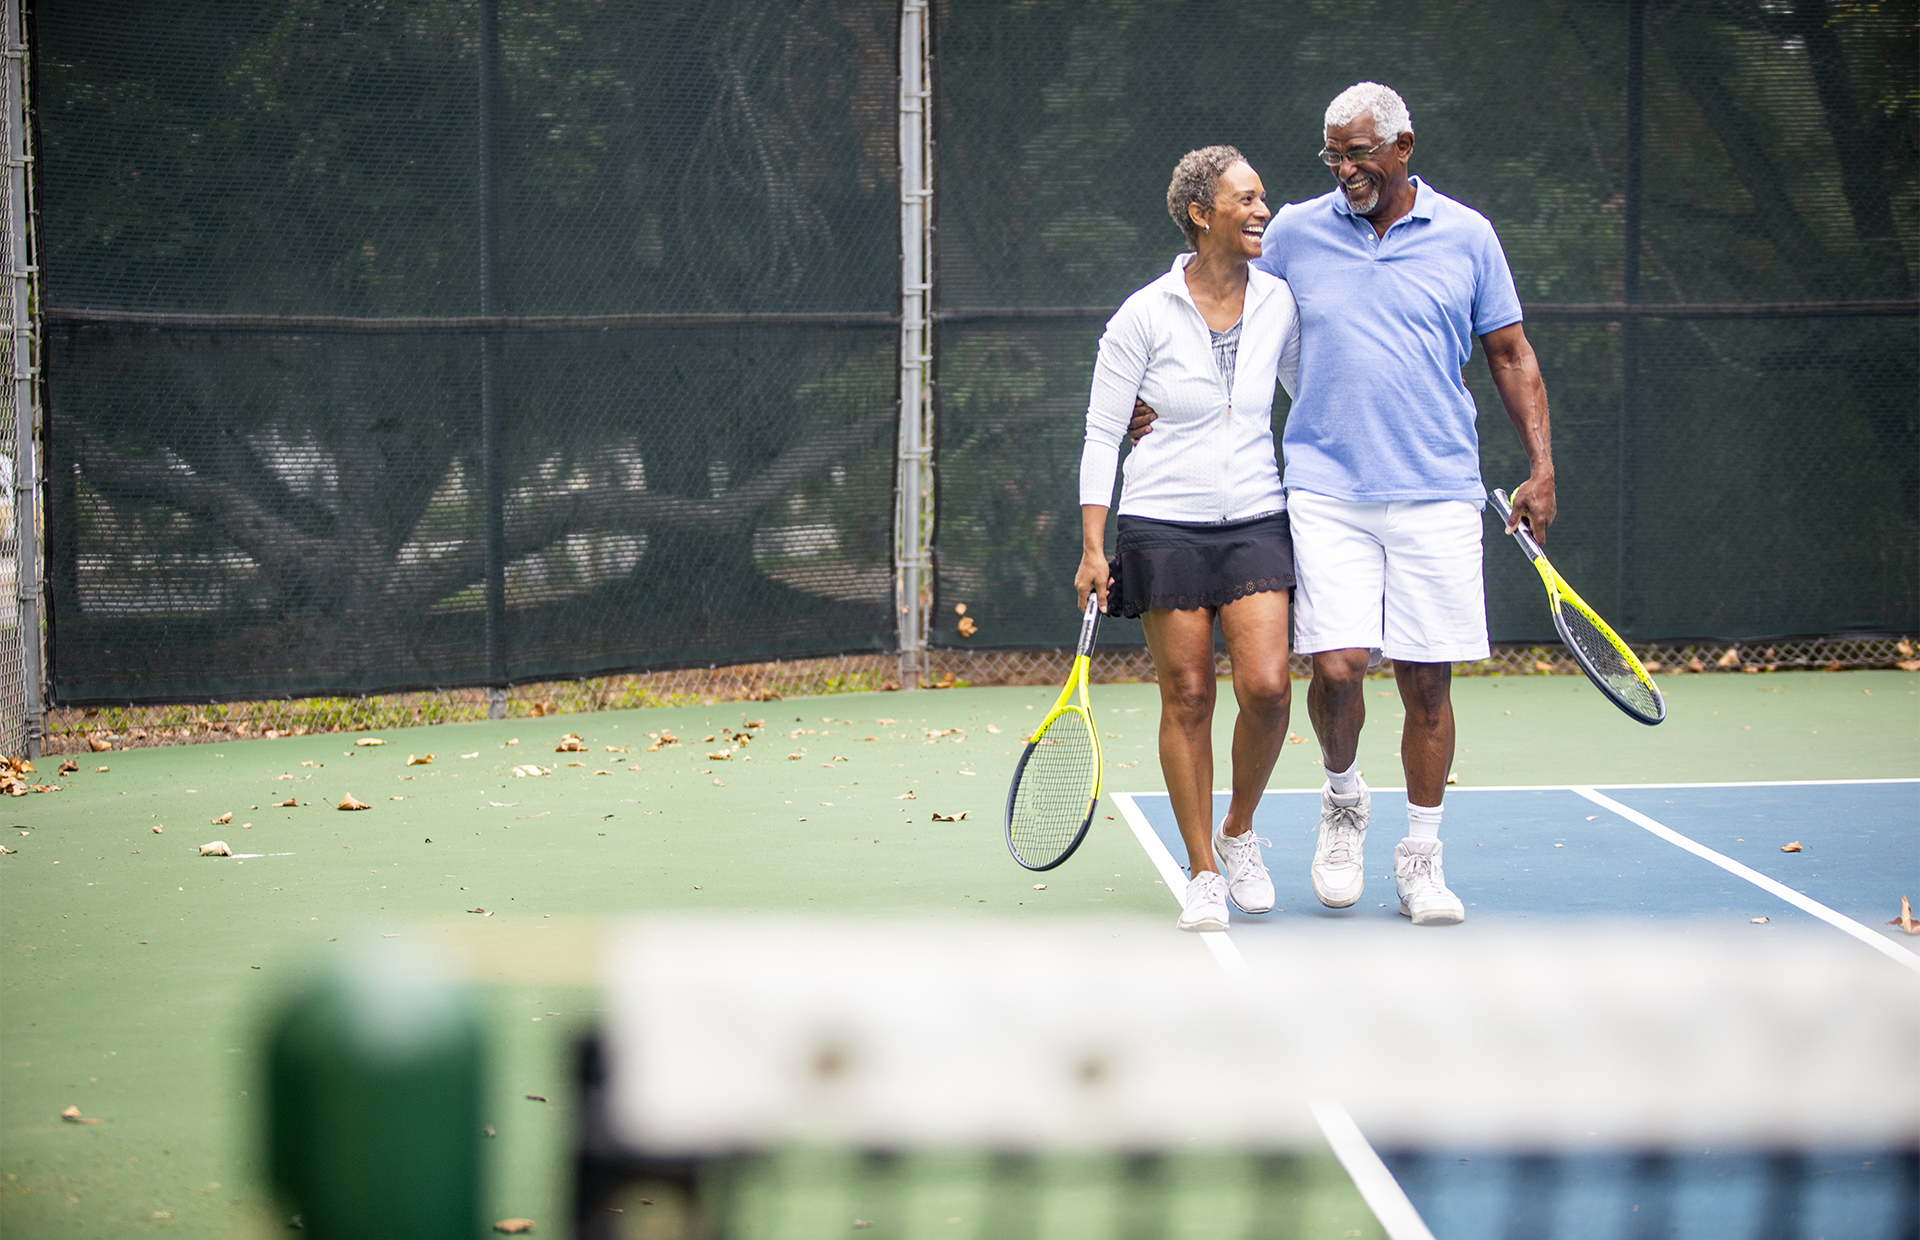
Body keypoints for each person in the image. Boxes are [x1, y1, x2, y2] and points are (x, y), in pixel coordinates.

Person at [1129, 83, 1556, 927]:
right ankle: (1342, 798)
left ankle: (1422, 857)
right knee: (1336, 668)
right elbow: (1213, 290)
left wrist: (1541, 468)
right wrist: (1152, 385)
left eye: (1359, 153)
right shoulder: (1294, 231)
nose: (1344, 169)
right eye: (1333, 154)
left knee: (1427, 684)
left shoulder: (1469, 235)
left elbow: (1509, 353)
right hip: (1324, 489)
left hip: (1438, 488)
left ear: (1403, 148)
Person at [1077, 146, 1303, 933]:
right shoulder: (1143, 314)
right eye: (1246, 199)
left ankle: (1238, 829)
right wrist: (1093, 547)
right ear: (1201, 214)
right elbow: (1102, 431)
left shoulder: (1280, 301)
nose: (1262, 211)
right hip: (1162, 522)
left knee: (1268, 688)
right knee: (1190, 696)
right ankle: (1204, 869)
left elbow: (1310, 395)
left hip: (1257, 515)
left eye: (1263, 197)